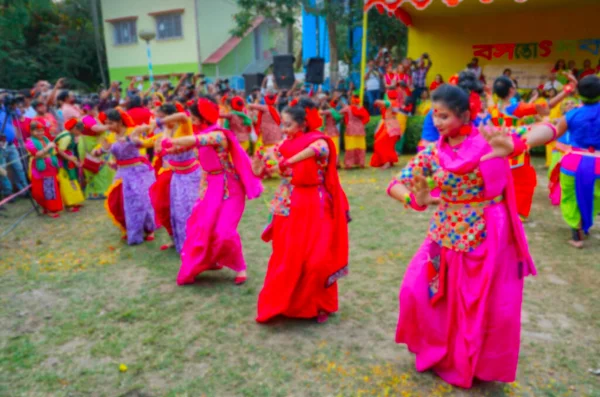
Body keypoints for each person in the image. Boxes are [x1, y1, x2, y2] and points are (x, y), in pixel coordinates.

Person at [387, 84, 535, 389]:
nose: (437, 122)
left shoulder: (487, 141)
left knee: (473, 302)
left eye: (444, 116)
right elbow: (396, 184)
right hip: (444, 230)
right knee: (417, 290)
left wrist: (518, 144)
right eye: (434, 116)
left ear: (465, 114)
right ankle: (438, 351)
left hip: (485, 231)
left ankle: (470, 362)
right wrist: (417, 199)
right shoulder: (433, 152)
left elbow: (536, 133)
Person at [255, 100, 349, 323]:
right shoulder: (283, 145)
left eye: (288, 125)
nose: (283, 130)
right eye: (283, 125)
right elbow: (262, 169)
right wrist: (260, 162)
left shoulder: (319, 141)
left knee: (316, 258)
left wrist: (286, 162)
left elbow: (314, 151)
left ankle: (319, 305)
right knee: (288, 254)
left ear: (302, 124)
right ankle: (285, 304)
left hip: (315, 202)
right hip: (289, 203)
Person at [161, 96, 263, 286]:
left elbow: (198, 140)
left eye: (193, 117)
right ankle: (210, 261)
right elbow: (189, 151)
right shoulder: (203, 133)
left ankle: (240, 267)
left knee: (224, 230)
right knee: (202, 227)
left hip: (229, 187)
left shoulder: (218, 135)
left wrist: (174, 141)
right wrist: (169, 146)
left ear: (202, 118)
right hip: (210, 186)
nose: (191, 121)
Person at [523, 75, 600, 248]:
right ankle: (586, 222)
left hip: (573, 161)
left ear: (579, 94)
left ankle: (576, 233)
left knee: (570, 196)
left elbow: (554, 135)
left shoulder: (571, 115)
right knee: (595, 196)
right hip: (598, 163)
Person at [150, 103, 201, 253]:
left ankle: (196, 245)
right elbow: (160, 148)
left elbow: (183, 116)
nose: (158, 120)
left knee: (190, 210)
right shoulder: (166, 132)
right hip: (176, 176)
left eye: (161, 117)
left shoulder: (183, 127)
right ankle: (181, 242)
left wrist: (160, 123)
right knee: (177, 211)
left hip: (191, 175)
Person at [102, 109, 156, 245]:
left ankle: (149, 229)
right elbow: (107, 150)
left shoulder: (132, 130)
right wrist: (103, 153)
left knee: (141, 200)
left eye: (111, 123)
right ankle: (130, 229)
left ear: (119, 122)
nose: (108, 127)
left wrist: (131, 137)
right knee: (120, 201)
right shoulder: (110, 136)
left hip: (137, 170)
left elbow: (145, 131)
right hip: (122, 172)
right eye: (107, 124)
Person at [25, 120, 64, 218]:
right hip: (39, 169)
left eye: (42, 130)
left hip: (50, 167)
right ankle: (45, 207)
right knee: (39, 190)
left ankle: (51, 209)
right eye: (37, 131)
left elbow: (52, 150)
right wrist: (48, 147)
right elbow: (37, 154)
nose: (40, 133)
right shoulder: (29, 142)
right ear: (31, 131)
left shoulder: (45, 139)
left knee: (50, 188)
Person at [77, 103, 115, 199]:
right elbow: (95, 128)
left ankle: (102, 190)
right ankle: (97, 192)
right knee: (96, 167)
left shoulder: (92, 117)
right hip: (90, 145)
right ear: (90, 110)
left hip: (95, 143)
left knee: (102, 167)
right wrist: (109, 126)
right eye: (95, 109)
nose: (96, 111)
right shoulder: (87, 118)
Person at [248, 92, 283, 178]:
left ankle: (265, 171)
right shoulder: (275, 110)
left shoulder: (265, 108)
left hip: (266, 134)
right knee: (274, 152)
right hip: (276, 134)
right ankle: (272, 170)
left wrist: (254, 102)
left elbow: (250, 106)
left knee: (264, 153)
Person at [54, 119, 85, 212]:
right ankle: (69, 204)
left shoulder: (67, 134)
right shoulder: (67, 137)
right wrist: (71, 159)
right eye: (79, 131)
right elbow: (60, 150)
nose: (80, 133)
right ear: (75, 129)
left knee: (72, 180)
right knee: (66, 182)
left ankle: (74, 201)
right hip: (62, 163)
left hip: (67, 161)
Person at [0, 98, 28, 201]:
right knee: (2, 171)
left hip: (11, 144)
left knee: (18, 167)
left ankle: (25, 190)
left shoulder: (5, 109)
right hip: (0, 145)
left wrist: (12, 103)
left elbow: (18, 113)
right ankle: (9, 193)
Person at [370, 91, 405, 169]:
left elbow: (377, 101)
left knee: (378, 143)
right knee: (388, 145)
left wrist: (377, 102)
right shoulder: (396, 103)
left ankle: (386, 162)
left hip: (390, 126)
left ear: (388, 96)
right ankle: (390, 161)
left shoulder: (389, 102)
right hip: (394, 126)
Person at [340, 94, 370, 169]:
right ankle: (361, 162)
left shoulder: (349, 108)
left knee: (350, 146)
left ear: (352, 100)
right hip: (360, 129)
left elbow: (339, 112)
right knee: (360, 146)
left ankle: (349, 164)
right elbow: (367, 118)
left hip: (351, 129)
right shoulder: (362, 109)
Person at [319, 100, 343, 167]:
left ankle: (331, 163)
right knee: (335, 149)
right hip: (335, 132)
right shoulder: (333, 111)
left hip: (328, 133)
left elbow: (320, 113)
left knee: (329, 149)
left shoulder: (329, 111)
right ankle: (336, 163)